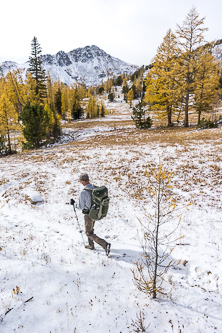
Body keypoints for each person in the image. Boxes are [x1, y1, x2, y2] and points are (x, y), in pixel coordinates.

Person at [73, 173, 111, 256]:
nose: (80, 182)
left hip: (89, 214)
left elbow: (80, 206)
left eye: (80, 181)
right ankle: (91, 245)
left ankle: (105, 244)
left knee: (88, 233)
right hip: (96, 212)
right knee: (90, 229)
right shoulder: (94, 188)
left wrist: (73, 204)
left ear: (83, 181)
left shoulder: (84, 192)